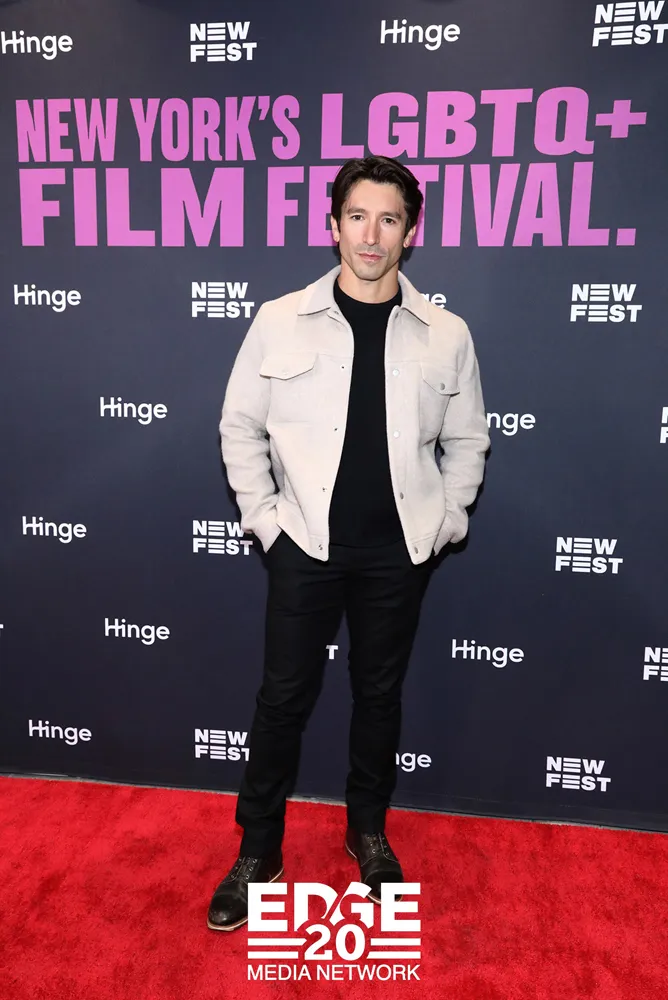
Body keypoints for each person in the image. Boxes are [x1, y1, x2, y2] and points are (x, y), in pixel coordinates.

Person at [208, 155, 490, 931]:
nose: (372, 235)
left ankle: (368, 832)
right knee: (281, 700)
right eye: (357, 216)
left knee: (379, 697)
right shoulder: (279, 320)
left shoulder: (447, 335)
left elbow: (469, 441)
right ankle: (258, 849)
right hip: (303, 544)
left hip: (399, 553)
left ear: (410, 232)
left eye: (388, 219)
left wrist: (445, 522)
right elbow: (240, 426)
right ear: (332, 225)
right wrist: (267, 521)